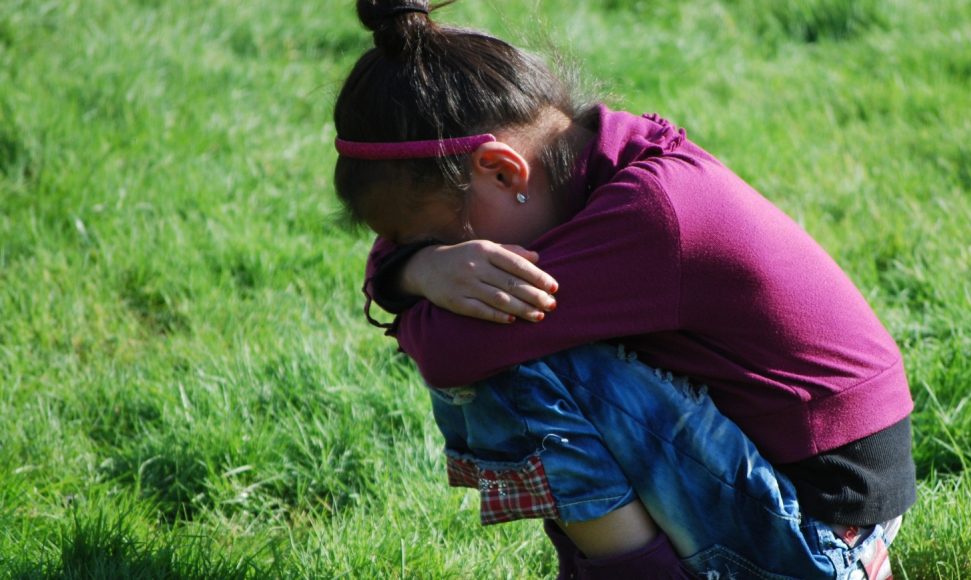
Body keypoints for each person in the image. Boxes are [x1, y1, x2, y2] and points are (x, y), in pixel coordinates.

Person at [332, 1, 916, 578]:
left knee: (509, 360)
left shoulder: (651, 215)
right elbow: (405, 277)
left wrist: (409, 282)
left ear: (504, 172)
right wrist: (417, 270)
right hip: (811, 489)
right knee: (507, 326)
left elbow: (450, 352)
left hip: (820, 528)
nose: (451, 263)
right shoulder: (597, 159)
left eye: (436, 239)